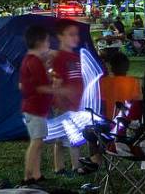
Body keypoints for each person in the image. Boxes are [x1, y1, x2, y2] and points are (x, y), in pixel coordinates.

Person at [20, 24, 59, 186]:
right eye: (47, 41)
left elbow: (26, 84)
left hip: (36, 109)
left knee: (38, 141)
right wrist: (58, 88)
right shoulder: (34, 61)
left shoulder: (32, 60)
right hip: (35, 109)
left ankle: (37, 174)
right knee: (36, 142)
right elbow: (41, 86)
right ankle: (27, 177)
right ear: (39, 42)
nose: (49, 44)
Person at [49, 22, 86, 176]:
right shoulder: (59, 58)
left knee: (72, 135)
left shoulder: (77, 57)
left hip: (77, 102)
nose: (75, 37)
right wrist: (61, 99)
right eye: (71, 34)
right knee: (64, 137)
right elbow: (56, 82)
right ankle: (65, 167)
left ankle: (70, 166)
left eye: (76, 34)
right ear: (60, 37)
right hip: (63, 104)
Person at [99, 51, 142, 120]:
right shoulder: (134, 82)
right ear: (127, 67)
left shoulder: (104, 82)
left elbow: (101, 104)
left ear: (111, 68)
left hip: (109, 122)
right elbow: (137, 105)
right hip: (127, 122)